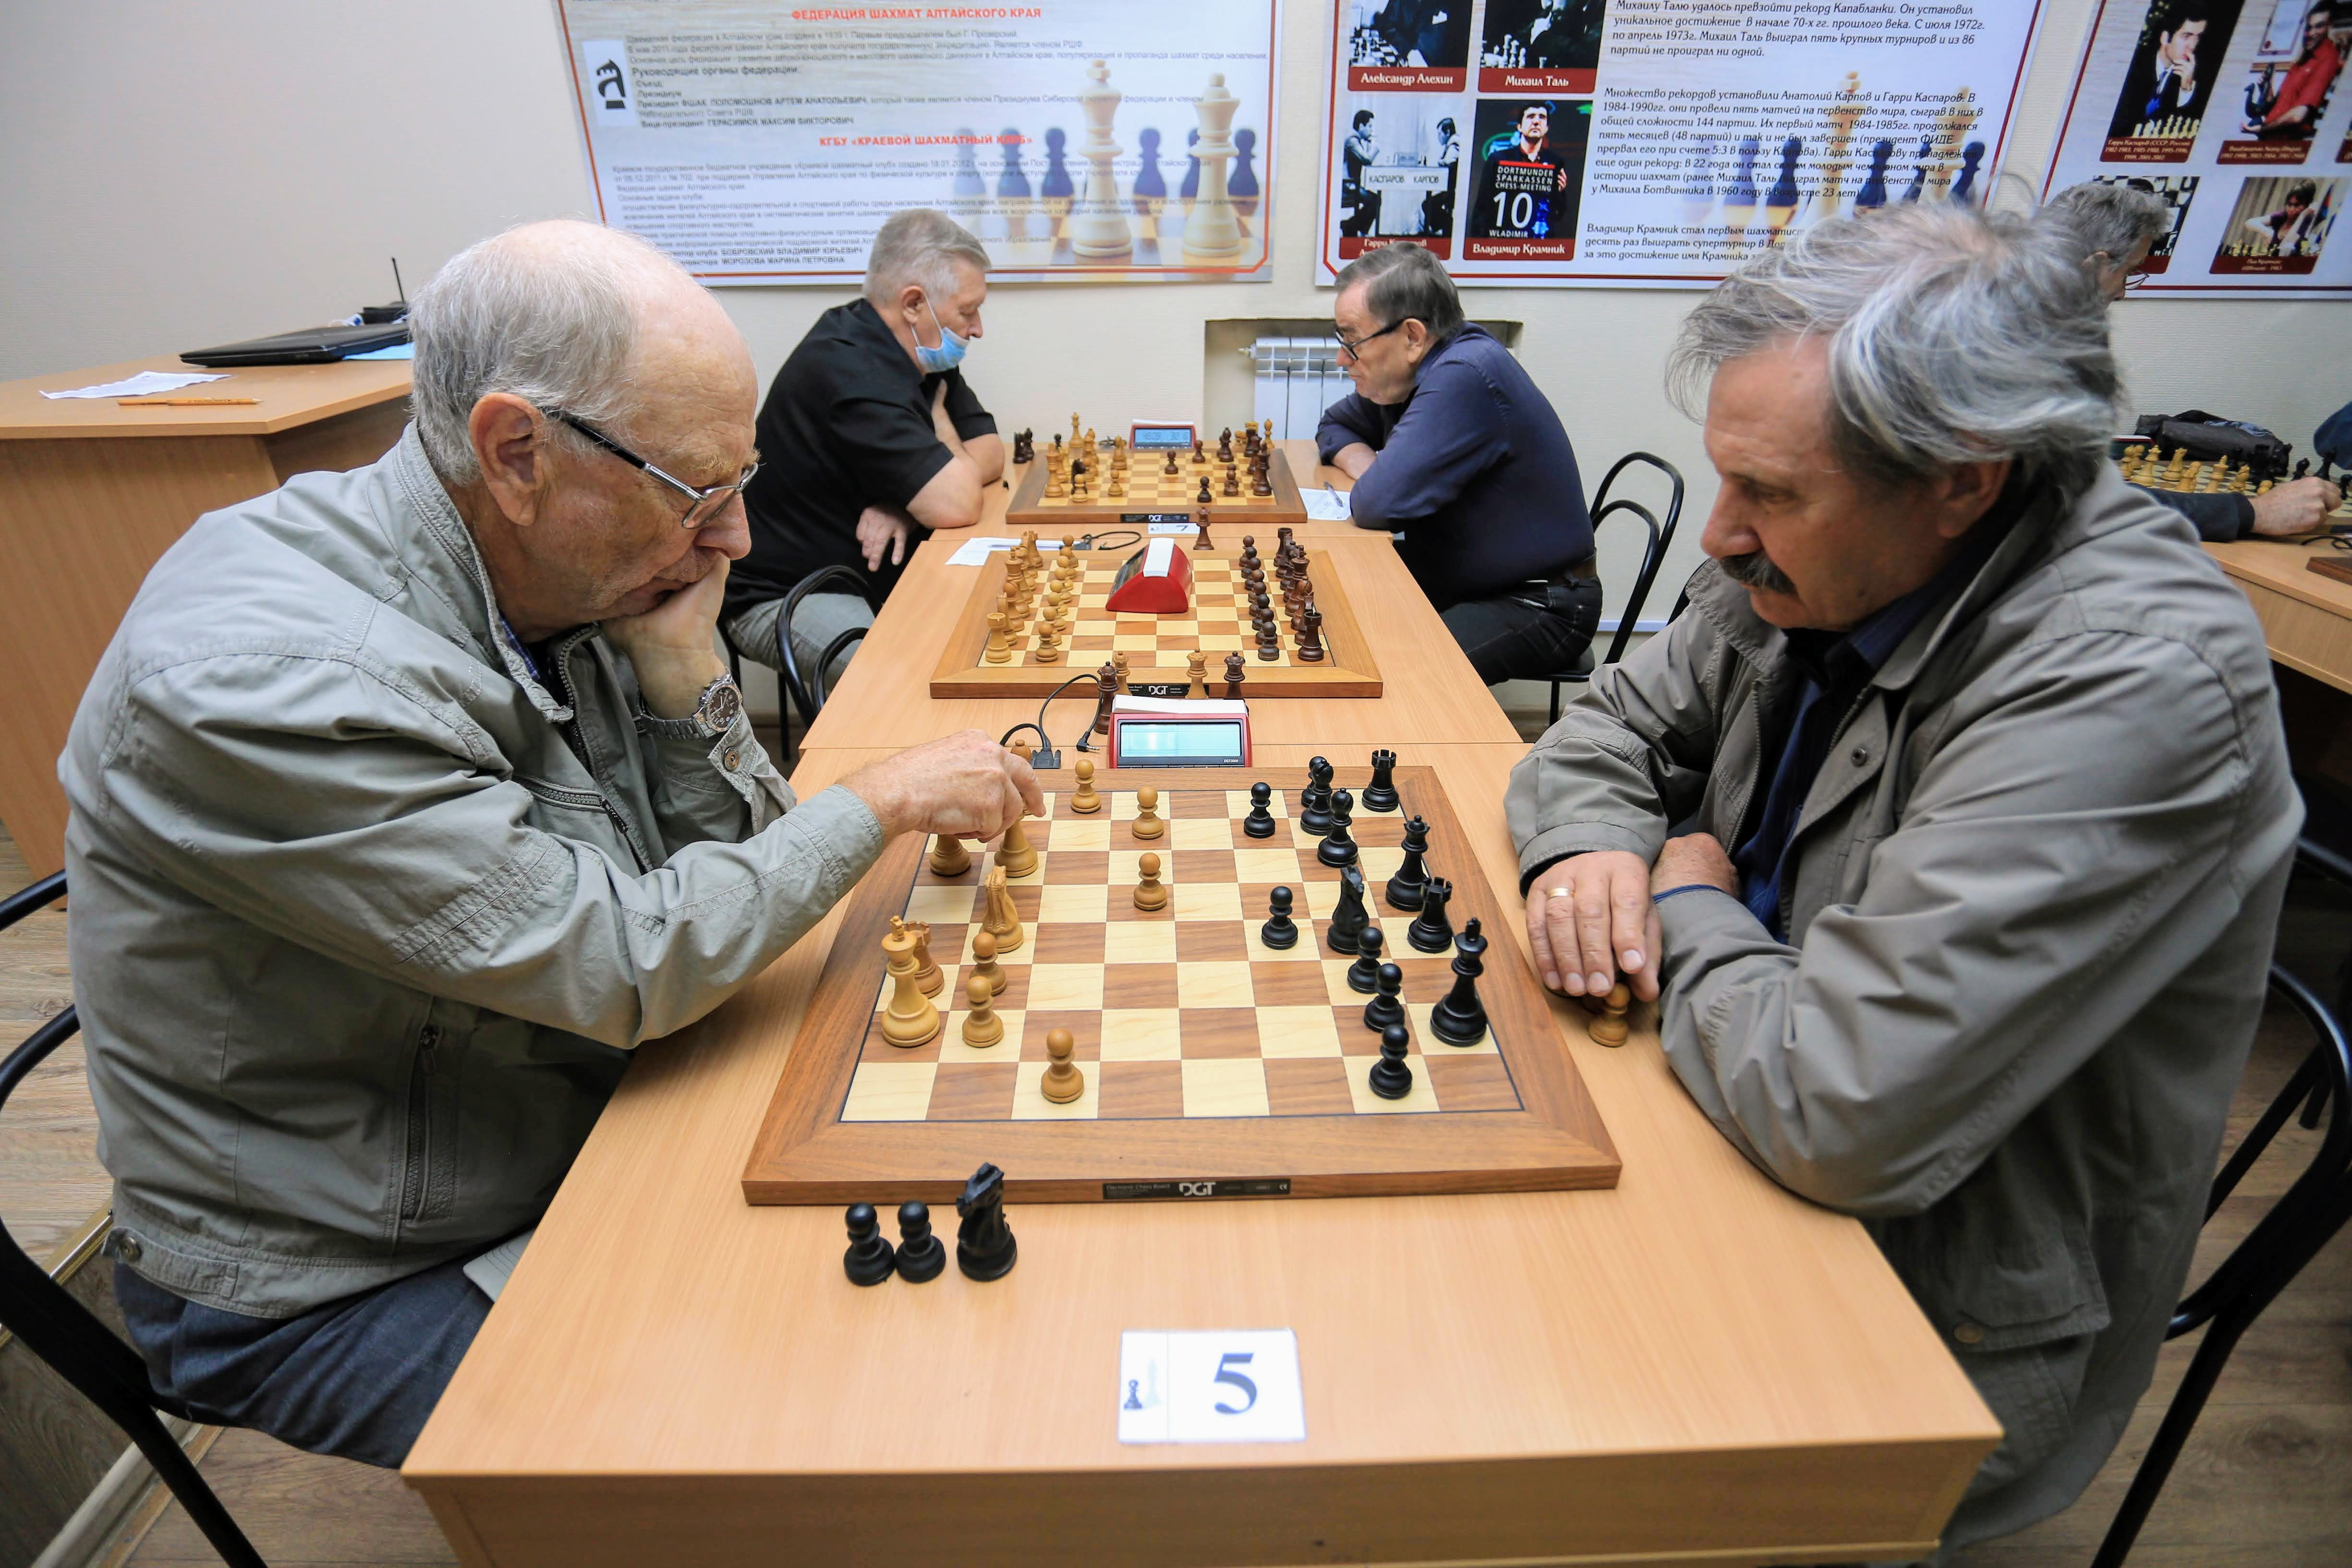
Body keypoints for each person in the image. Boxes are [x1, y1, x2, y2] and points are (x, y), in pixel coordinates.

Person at [62, 220, 1043, 1469]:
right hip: (347, 1272)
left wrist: (685, 681)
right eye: (701, 494)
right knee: (803, 1436)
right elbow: (629, 962)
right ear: (516, 453)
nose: (739, 541)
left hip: (561, 1100)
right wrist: (879, 798)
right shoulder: (262, 681)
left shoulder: (559, 568)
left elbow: (725, 884)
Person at [1506, 205, 2297, 1558]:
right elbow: (1601, 734)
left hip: (1922, 1303)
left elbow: (1840, 1103)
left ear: (1961, 481)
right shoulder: (1814, 560)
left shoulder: (2128, 678)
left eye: (1769, 492)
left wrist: (1683, 897)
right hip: (1720, 1097)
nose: (1718, 535)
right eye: (1722, 480)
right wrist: (1586, 846)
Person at [723, 209, 1004, 698]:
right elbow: (958, 503)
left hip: (869, 568)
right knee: (903, 685)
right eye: (968, 311)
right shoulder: (851, 371)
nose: (977, 329)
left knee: (984, 635)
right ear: (914, 303)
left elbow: (991, 452)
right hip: (788, 591)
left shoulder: (917, 348)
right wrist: (939, 442)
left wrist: (905, 502)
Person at [1317, 243, 1598, 683]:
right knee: (1327, 596)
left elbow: (1373, 506)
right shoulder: (1415, 373)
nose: (1341, 358)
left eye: (1351, 340)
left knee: (1394, 676)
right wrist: (1371, 465)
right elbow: (1335, 425)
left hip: (1540, 603)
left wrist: (1378, 481)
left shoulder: (1464, 376)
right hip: (1465, 579)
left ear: (1412, 337)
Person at [2040, 179, 2342, 538]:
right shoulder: (2023, 347)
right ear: (2095, 266)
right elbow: (2069, 501)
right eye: (2130, 271)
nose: (2122, 293)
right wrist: (2253, 512)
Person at [2106, 0, 2220, 136]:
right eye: (2186, 37)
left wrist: (2185, 91)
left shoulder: (2194, 75)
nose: (2193, 46)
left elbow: (2186, 132)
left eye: (2198, 38)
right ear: (2165, 38)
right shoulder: (2132, 65)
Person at [1470, 102, 1575, 240]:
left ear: (1547, 128)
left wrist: (1559, 193)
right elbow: (1482, 207)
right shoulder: (1499, 159)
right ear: (1519, 126)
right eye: (1531, 117)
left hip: (1538, 243)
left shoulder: (1555, 162)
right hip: (1503, 242)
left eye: (1542, 117)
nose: (1536, 122)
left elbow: (1559, 215)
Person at [2246, 0, 2341, 137]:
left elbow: (2298, 116)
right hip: (2269, 140)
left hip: (2287, 143)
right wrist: (2267, 88)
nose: (2311, 33)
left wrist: (2262, 129)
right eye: (2309, 28)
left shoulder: (2328, 59)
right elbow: (2278, 110)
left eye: (2319, 26)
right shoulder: (2302, 61)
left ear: (2330, 26)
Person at [1341, 111, 1381, 237]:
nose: (1372, 130)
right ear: (1361, 126)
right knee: (1375, 200)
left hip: (1352, 184)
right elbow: (1367, 160)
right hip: (1347, 186)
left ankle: (1350, 226)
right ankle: (1352, 227)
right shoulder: (1352, 141)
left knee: (1374, 200)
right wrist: (1375, 147)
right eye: (1370, 127)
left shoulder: (1355, 140)